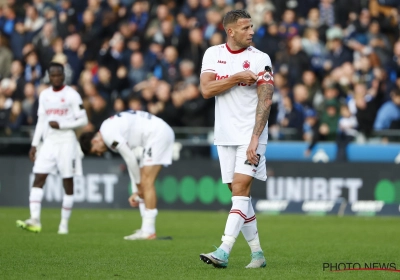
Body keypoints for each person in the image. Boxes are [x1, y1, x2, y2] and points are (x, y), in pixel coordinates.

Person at [199, 10, 274, 269]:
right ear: (230, 31)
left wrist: (256, 138)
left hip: (251, 134)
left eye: (251, 27)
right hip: (225, 135)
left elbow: (266, 99)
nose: (251, 31)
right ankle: (257, 254)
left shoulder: (260, 58)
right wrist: (235, 79)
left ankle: (223, 250)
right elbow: (206, 90)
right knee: (238, 195)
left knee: (241, 189)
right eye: (245, 28)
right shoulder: (213, 54)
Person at [78, 110, 175, 240]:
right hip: (155, 134)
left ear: (95, 141)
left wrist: (139, 185)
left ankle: (149, 231)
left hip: (157, 135)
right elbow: (131, 160)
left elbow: (130, 159)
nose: (99, 154)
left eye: (96, 151)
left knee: (146, 182)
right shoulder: (108, 129)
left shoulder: (109, 135)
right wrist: (136, 189)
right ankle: (146, 229)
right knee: (144, 181)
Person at [16, 62, 88, 234]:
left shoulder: (72, 95)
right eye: (53, 75)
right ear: (49, 76)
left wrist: (62, 125)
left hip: (67, 141)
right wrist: (34, 144)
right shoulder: (44, 95)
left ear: (64, 75)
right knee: (38, 177)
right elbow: (41, 121)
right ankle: (35, 220)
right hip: (49, 141)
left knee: (67, 181)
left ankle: (64, 224)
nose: (56, 78)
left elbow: (83, 120)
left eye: (59, 75)